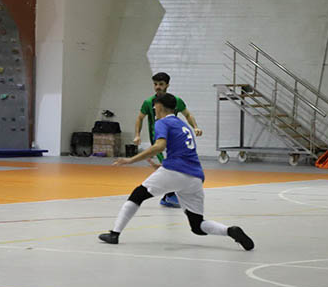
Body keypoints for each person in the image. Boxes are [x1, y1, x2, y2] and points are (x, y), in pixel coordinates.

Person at [101, 93, 254, 250]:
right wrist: (162, 168)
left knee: (137, 195)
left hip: (175, 171)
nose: (154, 108)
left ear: (159, 106)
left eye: (155, 106)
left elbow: (159, 146)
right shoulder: (183, 125)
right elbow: (183, 153)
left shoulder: (162, 122)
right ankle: (230, 231)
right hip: (195, 177)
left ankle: (114, 233)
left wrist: (131, 160)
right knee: (197, 225)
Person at [134, 72, 203, 208]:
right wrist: (137, 134)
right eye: (155, 84)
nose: (157, 87)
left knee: (172, 167)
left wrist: (195, 127)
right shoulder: (149, 102)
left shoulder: (175, 101)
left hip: (173, 140)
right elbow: (140, 118)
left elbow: (187, 114)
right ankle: (169, 196)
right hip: (159, 140)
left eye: (161, 84)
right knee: (169, 166)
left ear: (167, 85)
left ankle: (170, 195)